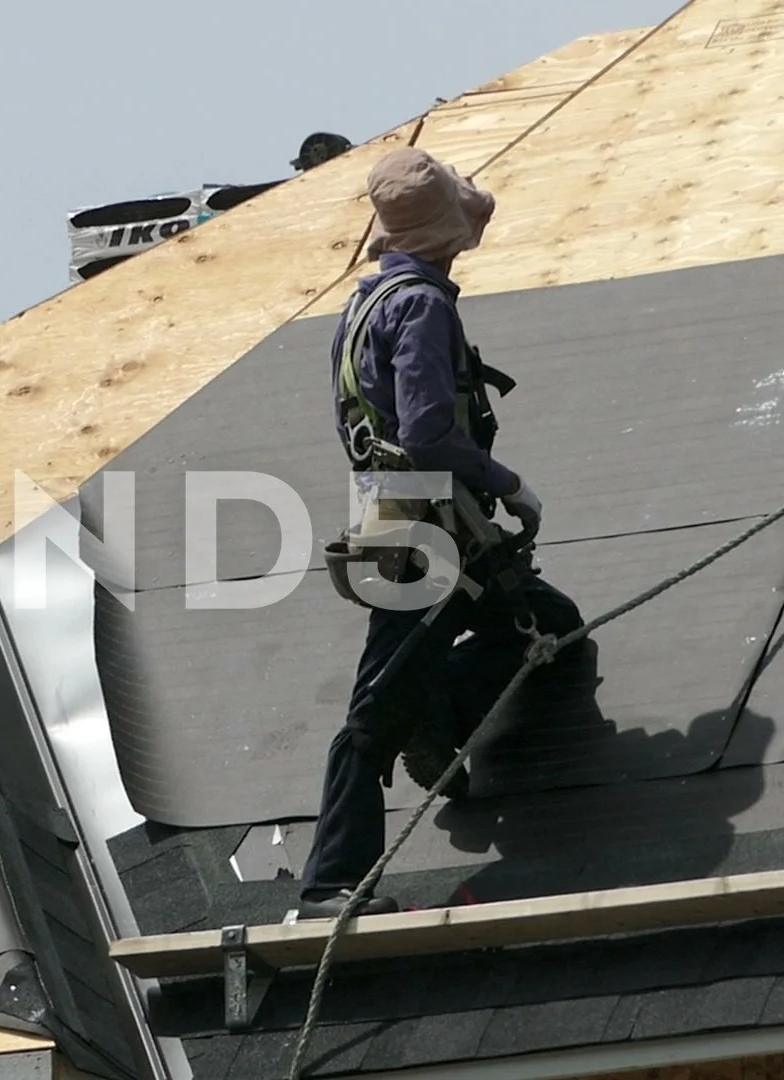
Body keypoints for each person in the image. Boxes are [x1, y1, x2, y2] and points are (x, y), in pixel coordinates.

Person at [297, 148, 595, 919]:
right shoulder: (422, 307)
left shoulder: (364, 304)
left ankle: (438, 714)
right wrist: (506, 484)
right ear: (447, 229)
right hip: (432, 535)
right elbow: (428, 431)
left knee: (552, 628)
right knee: (374, 716)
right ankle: (330, 885)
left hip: (402, 523)